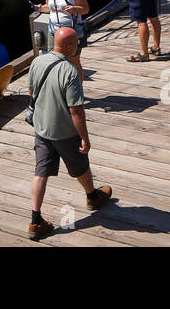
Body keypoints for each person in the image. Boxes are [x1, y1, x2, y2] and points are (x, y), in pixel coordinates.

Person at [25, 25, 112, 240]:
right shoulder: (70, 71)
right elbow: (75, 111)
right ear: (71, 46)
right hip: (64, 132)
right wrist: (85, 138)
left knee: (41, 171)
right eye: (77, 44)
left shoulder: (37, 61)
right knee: (80, 164)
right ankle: (92, 196)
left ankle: (35, 220)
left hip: (42, 128)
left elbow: (30, 91)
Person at [32, 0, 88, 80]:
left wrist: (74, 9)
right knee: (54, 61)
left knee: (73, 62)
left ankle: (78, 91)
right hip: (54, 30)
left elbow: (85, 9)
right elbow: (49, 7)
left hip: (71, 31)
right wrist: (41, 8)